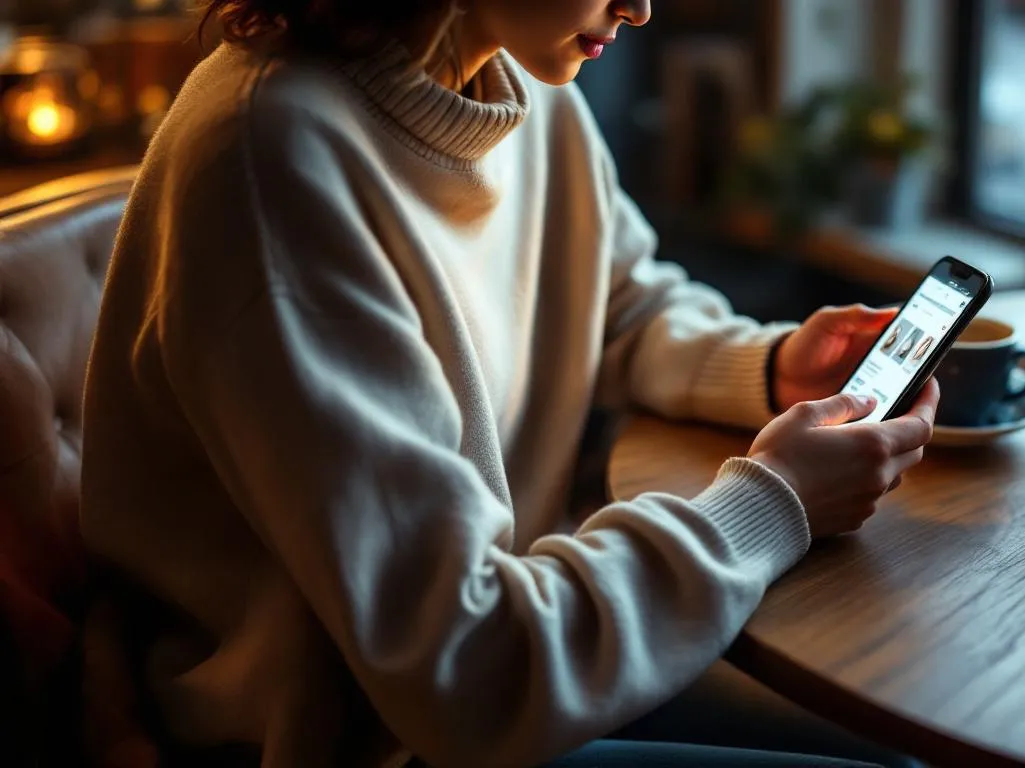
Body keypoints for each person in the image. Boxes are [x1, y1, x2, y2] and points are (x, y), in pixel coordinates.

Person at [78, 1, 939, 766]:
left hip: (519, 659)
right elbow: (465, 669)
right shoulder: (270, 161)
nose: (640, 8)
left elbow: (619, 301)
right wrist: (774, 503)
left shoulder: (520, 76)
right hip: (365, 734)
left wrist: (768, 366)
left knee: (901, 748)